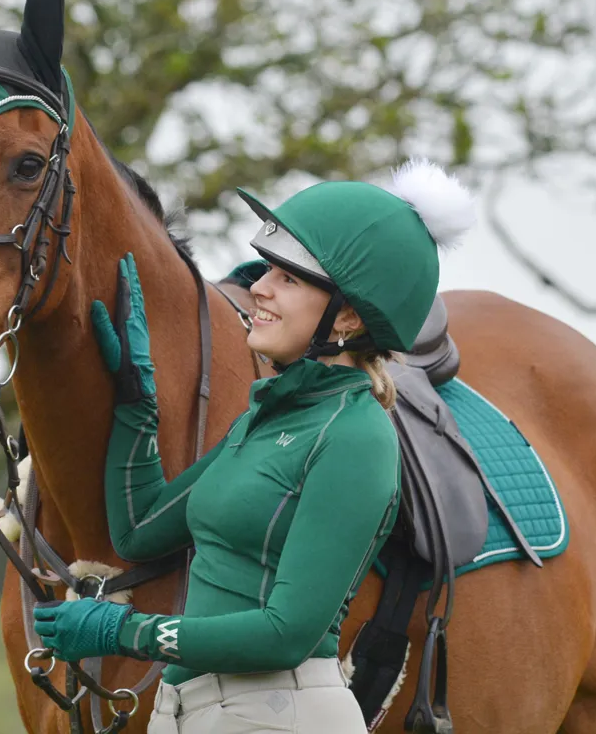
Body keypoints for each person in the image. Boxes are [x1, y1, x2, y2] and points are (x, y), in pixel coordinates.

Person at [34, 158, 475, 733]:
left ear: (345, 316)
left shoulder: (355, 435)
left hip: (280, 714)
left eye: (288, 278)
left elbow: (285, 633)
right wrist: (136, 402)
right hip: (190, 711)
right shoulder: (263, 417)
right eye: (268, 269)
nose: (258, 288)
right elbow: (140, 530)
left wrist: (122, 632)